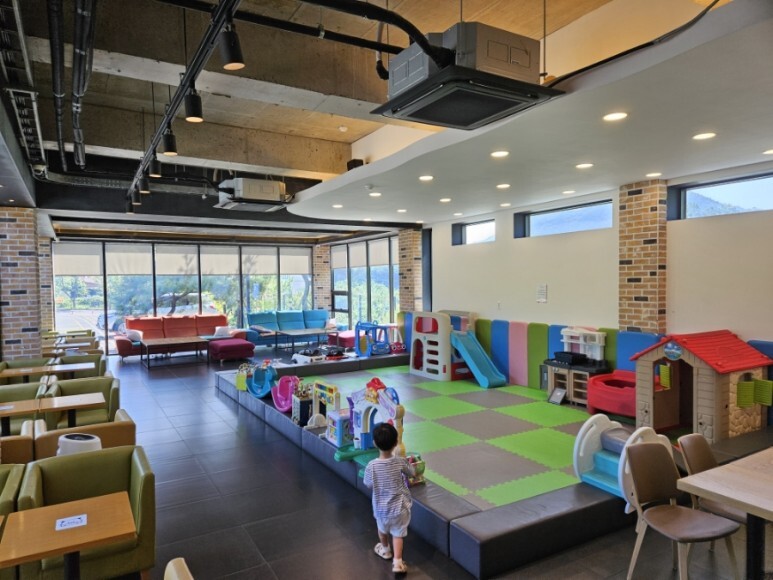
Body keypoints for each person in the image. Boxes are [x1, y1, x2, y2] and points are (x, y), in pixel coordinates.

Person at [363, 422, 416, 575]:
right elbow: (412, 473)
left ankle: (385, 550)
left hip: (381, 509)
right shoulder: (399, 461)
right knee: (398, 534)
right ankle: (398, 562)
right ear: (395, 443)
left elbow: (368, 483)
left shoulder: (372, 466)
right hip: (400, 509)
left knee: (382, 529)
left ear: (374, 443)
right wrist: (410, 463)